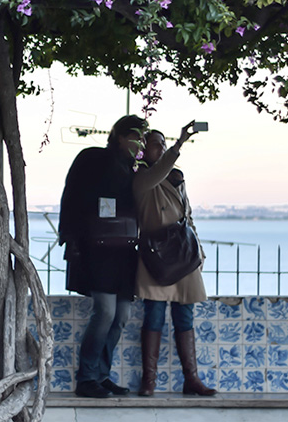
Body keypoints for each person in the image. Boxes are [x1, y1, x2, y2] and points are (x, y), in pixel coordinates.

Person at [58, 114, 148, 398]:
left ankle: (101, 374)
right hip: (95, 248)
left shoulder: (135, 169)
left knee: (121, 314)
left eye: (143, 137)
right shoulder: (92, 158)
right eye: (134, 135)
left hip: (123, 250)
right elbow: (70, 196)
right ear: (119, 136)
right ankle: (86, 378)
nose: (139, 142)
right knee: (105, 311)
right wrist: (70, 239)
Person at [134, 124, 216, 397]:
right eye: (156, 144)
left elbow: (187, 217)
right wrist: (180, 143)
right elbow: (157, 173)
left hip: (182, 251)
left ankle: (191, 379)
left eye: (163, 143)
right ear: (143, 150)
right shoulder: (141, 178)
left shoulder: (176, 178)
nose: (162, 148)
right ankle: (149, 381)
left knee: (185, 316)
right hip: (156, 254)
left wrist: (199, 251)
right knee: (154, 315)